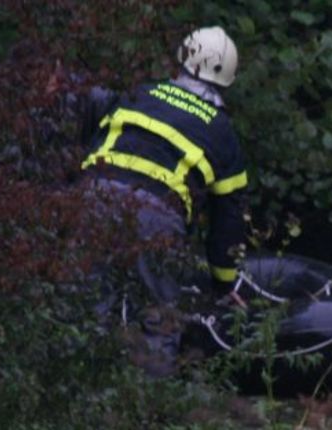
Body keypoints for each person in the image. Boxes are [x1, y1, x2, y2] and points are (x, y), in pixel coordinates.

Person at [81, 26, 248, 376]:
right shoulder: (222, 132)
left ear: (181, 60)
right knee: (158, 321)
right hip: (155, 216)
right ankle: (149, 407)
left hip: (90, 197)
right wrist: (224, 284)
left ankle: (71, 398)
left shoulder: (140, 92)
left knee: (84, 306)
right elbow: (227, 219)